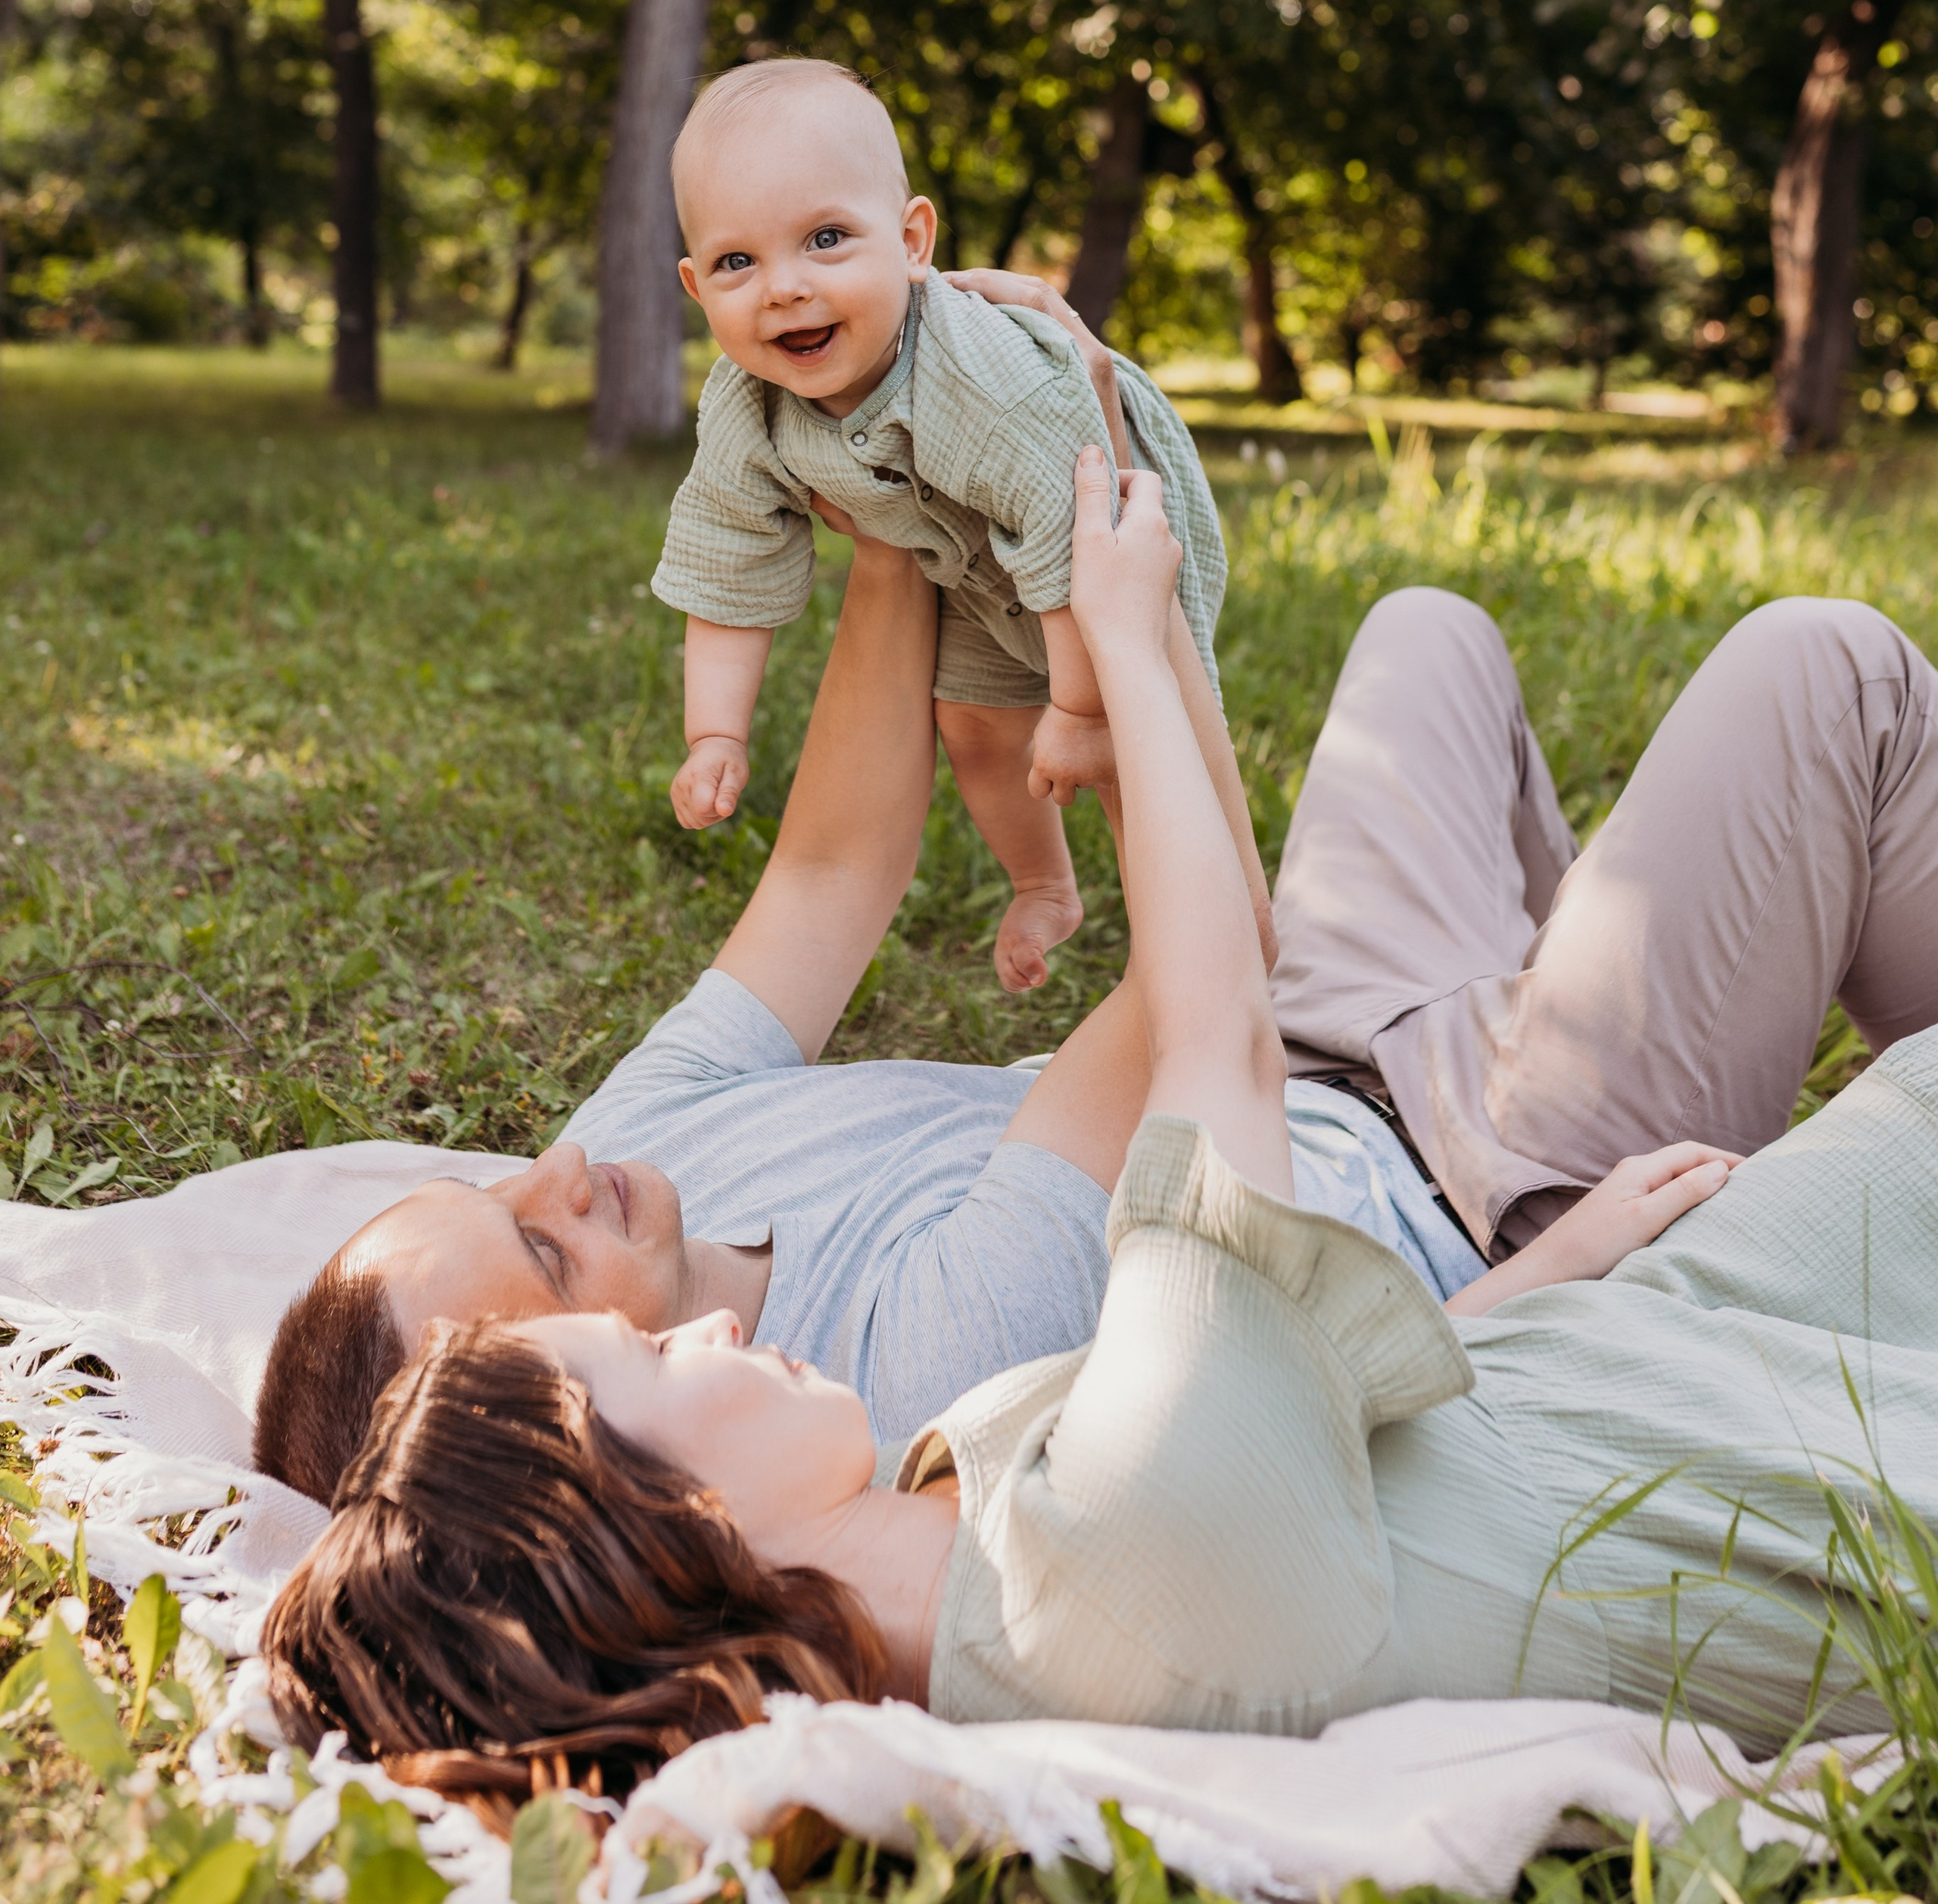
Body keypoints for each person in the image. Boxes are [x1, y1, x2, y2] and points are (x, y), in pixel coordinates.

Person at [263, 450, 1938, 1790]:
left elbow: (1325, 1445)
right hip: (1701, 1334)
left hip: (1625, 1313)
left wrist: (883, 481)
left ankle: (1659, 970)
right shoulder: (1093, 1536)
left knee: (1428, 627)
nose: (575, 1182)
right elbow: (1206, 1028)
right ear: (659, 1518)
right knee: (1829, 669)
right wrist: (1123, 634)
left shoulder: (956, 1491)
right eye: (629, 1352)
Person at [652, 56, 1270, 991]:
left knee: (1131, 756)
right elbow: (726, 560)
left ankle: (1201, 955)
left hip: (1106, 529)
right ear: (699, 290)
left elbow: (1072, 526)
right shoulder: (745, 406)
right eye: (740, 261)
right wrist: (715, 736)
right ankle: (1043, 883)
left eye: (826, 237)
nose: (782, 286)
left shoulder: (979, 377)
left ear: (911, 241)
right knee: (977, 730)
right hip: (977, 577)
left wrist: (1076, 706)